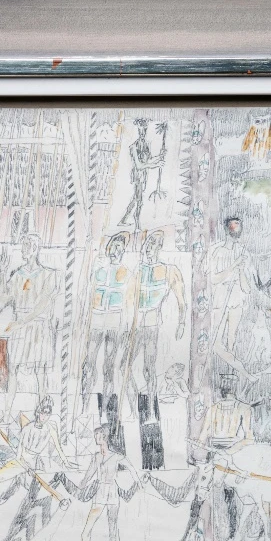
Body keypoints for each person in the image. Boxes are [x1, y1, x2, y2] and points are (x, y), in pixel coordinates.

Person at [0, 396, 73, 535]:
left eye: (47, 414)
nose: (44, 417)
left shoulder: (51, 428)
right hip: (21, 463)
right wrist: (27, 467)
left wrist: (66, 462)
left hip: (33, 464)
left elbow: (59, 448)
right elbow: (19, 456)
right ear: (37, 412)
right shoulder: (27, 429)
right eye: (43, 413)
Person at [0, 233, 59, 419]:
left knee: (40, 372)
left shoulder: (49, 275)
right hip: (20, 327)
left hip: (38, 328)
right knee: (13, 370)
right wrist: (2, 273)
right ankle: (6, 414)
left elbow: (43, 305)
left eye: (26, 246)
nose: (22, 250)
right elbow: (1, 303)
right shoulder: (17, 276)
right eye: (22, 246)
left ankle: (42, 415)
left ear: (34, 249)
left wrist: (21, 322)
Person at [63, 425, 138, 541]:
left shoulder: (116, 456)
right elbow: (86, 478)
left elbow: (131, 468)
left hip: (112, 494)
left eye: (97, 435)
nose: (95, 437)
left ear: (104, 436)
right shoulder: (96, 457)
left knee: (113, 530)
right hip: (100, 494)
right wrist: (76, 491)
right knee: (86, 531)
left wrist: (138, 482)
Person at [125, 230, 187, 406]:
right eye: (147, 244)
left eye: (153, 244)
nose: (148, 247)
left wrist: (181, 322)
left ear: (159, 247)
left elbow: (182, 301)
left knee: (148, 368)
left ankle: (151, 406)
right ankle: (135, 404)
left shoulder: (169, 271)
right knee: (124, 367)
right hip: (135, 325)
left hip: (152, 326)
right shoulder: (138, 270)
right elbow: (129, 299)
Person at [194, 373, 253, 541]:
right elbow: (204, 434)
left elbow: (249, 438)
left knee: (230, 496)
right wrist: (199, 444)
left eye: (229, 384)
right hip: (214, 455)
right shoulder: (213, 409)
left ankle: (231, 534)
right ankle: (199, 533)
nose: (226, 387)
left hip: (233, 457)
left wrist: (230, 452)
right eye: (225, 383)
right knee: (202, 492)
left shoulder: (244, 409)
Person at [82, 232, 132, 412]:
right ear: (108, 248)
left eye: (120, 248)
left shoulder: (127, 273)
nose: (116, 251)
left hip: (114, 321)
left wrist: (126, 329)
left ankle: (104, 409)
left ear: (123, 252)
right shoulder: (99, 270)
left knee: (108, 367)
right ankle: (85, 405)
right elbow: (88, 294)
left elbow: (128, 303)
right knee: (89, 364)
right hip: (96, 319)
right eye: (114, 246)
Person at [205, 217, 253, 380]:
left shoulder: (243, 253)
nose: (236, 228)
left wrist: (241, 271)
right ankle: (238, 372)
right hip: (220, 300)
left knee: (232, 340)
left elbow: (246, 288)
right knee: (215, 342)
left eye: (239, 225)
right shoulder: (217, 251)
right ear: (227, 229)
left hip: (236, 301)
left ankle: (234, 373)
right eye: (234, 225)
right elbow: (213, 279)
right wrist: (233, 266)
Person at [118, 118, 165, 229]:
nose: (143, 133)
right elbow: (139, 165)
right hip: (138, 176)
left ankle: (123, 220)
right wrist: (155, 165)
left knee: (136, 198)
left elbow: (148, 159)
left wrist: (159, 157)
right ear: (138, 131)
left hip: (144, 175)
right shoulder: (133, 147)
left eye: (145, 130)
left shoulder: (146, 145)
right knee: (139, 200)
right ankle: (137, 223)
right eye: (141, 130)